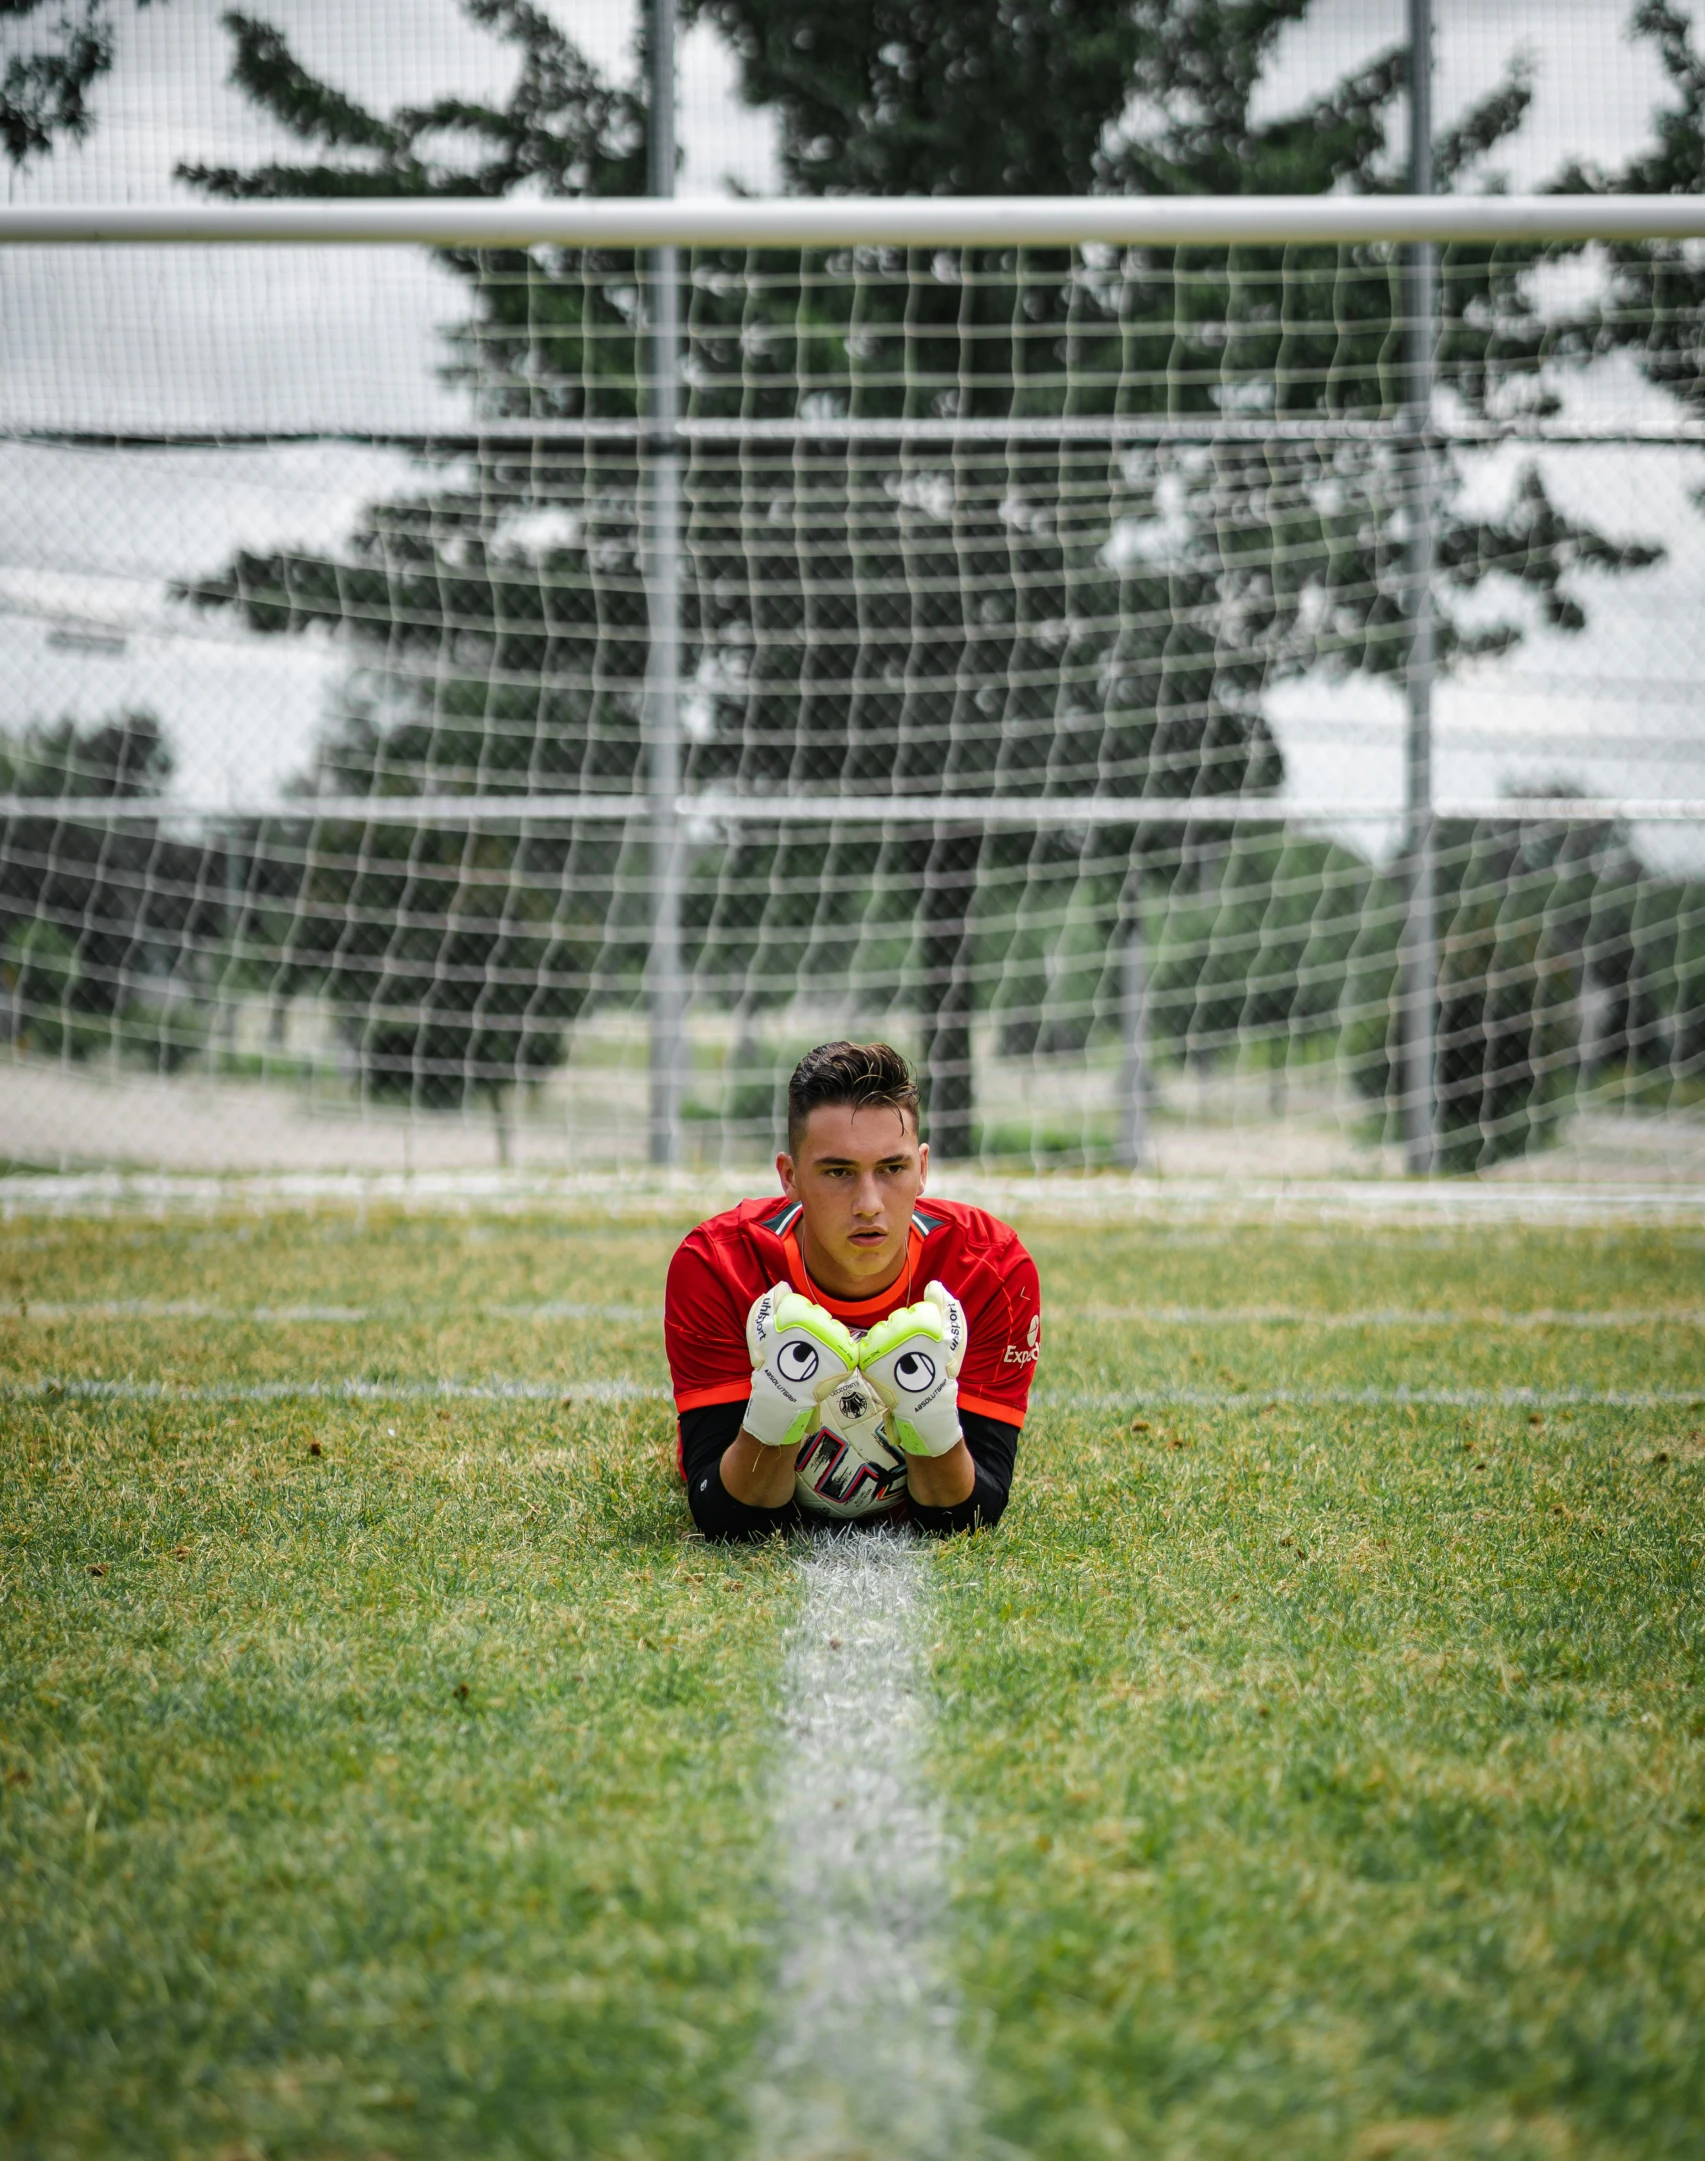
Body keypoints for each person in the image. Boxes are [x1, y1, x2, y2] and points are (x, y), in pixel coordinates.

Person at [664, 1040, 1041, 1541]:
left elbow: (967, 1516)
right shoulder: (718, 1265)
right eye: (838, 1172)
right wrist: (778, 1403)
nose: (868, 1203)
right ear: (790, 1176)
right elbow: (732, 1520)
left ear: (923, 1168)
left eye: (892, 1169)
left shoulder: (991, 1270)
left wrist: (927, 1410)